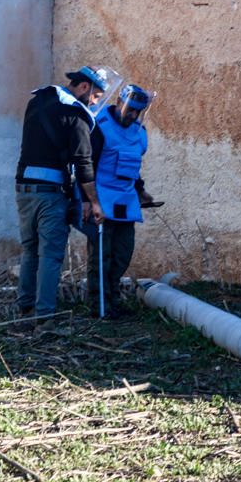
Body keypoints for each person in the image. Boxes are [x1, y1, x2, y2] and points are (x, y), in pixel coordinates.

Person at [15, 66, 115, 331]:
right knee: (50, 255)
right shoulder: (76, 115)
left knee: (29, 250)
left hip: (23, 188)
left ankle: (24, 311)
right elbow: (83, 163)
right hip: (50, 194)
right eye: (96, 96)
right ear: (84, 87)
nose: (95, 103)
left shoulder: (38, 100)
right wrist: (93, 202)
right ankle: (44, 319)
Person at [85, 84, 155, 318]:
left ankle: (114, 298)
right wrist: (87, 200)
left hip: (126, 200)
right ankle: (99, 304)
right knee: (101, 256)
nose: (132, 115)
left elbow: (131, 166)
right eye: (130, 110)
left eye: (137, 111)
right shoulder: (100, 127)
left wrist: (141, 191)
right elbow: (87, 166)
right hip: (102, 200)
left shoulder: (138, 131)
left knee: (123, 253)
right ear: (119, 102)